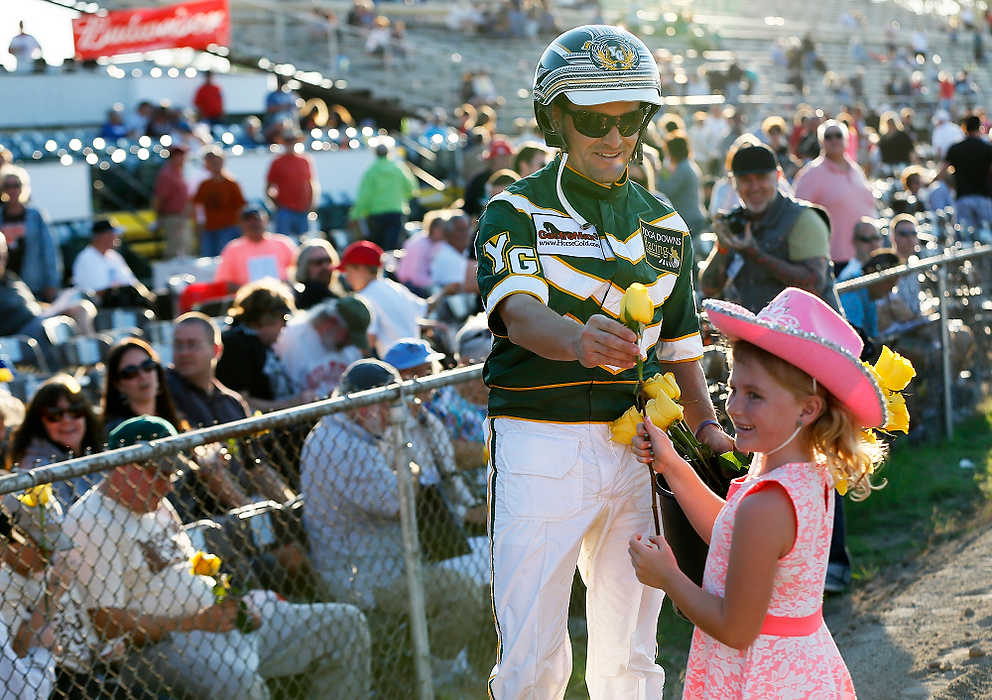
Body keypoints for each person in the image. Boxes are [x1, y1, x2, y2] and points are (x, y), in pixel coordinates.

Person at [476, 25, 733, 698]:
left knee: (631, 655)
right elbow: (520, 315)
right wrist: (578, 338)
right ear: (553, 116)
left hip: (640, 447)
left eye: (631, 117)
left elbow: (682, 351)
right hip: (539, 442)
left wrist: (706, 432)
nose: (616, 137)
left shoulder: (668, 225)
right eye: (594, 118)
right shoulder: (513, 209)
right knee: (532, 658)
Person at [629, 287, 891, 697]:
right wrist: (675, 467)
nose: (734, 408)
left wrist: (669, 578)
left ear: (807, 409)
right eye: (734, 389)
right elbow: (732, 534)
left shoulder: (768, 503)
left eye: (755, 396)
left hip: (761, 677)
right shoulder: (804, 473)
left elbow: (735, 628)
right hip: (799, 668)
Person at [62, 415, 372, 700]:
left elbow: (188, 572)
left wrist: (233, 603)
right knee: (240, 686)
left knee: (345, 624)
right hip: (160, 650)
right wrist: (193, 622)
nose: (168, 486)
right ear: (123, 466)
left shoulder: (155, 503)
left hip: (217, 626)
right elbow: (105, 622)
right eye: (160, 473)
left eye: (172, 472)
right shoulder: (92, 521)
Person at [700, 143, 841, 313]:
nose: (754, 187)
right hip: (757, 334)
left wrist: (755, 253)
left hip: (810, 334)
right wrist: (722, 248)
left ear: (778, 176)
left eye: (761, 177)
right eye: (745, 180)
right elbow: (708, 288)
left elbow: (814, 285)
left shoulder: (804, 219)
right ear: (733, 183)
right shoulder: (736, 222)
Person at [794, 120, 878, 274]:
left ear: (846, 140)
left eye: (838, 135)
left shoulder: (855, 169)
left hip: (863, 257)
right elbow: (797, 216)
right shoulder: (811, 174)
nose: (834, 140)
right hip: (832, 260)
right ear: (821, 141)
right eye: (828, 136)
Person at [7, 375, 104, 506]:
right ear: (39, 422)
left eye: (75, 411)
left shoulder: (99, 451)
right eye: (55, 414)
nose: (67, 420)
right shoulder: (36, 466)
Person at [216, 279, 311, 411]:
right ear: (266, 318)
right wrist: (292, 404)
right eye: (283, 318)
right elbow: (241, 401)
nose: (285, 325)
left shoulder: (259, 342)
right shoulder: (236, 345)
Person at [336, 240, 427, 358]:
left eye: (348, 271)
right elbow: (423, 310)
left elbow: (368, 344)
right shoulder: (394, 287)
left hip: (400, 365)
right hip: (421, 356)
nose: (347, 278)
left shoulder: (364, 297)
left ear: (361, 268)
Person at [274, 296, 372, 397]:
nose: (351, 343)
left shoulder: (351, 350)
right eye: (348, 336)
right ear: (331, 323)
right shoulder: (291, 337)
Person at [0, 171, 61, 303]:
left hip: (33, 284)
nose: (12, 190)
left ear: (23, 187)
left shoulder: (35, 215)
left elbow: (49, 251)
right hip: (5, 284)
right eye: (7, 186)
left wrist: (51, 283)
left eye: (16, 185)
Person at [349, 144, 418, 251]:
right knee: (395, 249)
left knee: (379, 249)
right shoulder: (398, 169)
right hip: (396, 212)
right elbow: (411, 189)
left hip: (377, 215)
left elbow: (364, 196)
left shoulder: (371, 172)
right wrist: (399, 198)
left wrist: (354, 215)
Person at [213, 207, 298, 290]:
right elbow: (224, 281)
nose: (253, 223)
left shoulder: (282, 243)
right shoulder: (232, 248)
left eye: (256, 219)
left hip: (281, 297)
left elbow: (298, 268)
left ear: (266, 221)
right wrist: (248, 291)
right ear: (240, 224)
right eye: (247, 220)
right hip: (248, 301)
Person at [936, 115, 992, 231]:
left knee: (967, 241)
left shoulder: (955, 148)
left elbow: (942, 173)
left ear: (964, 128)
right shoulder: (987, 148)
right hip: (984, 197)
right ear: (980, 128)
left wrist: (952, 185)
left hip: (963, 197)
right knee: (988, 239)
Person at [192, 148, 247, 258]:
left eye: (217, 161)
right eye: (212, 162)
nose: (215, 165)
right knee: (207, 258)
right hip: (209, 228)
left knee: (225, 257)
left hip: (228, 228)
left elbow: (241, 207)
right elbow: (197, 206)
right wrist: (199, 225)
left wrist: (242, 227)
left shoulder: (232, 183)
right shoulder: (205, 184)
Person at [265, 130, 318, 239]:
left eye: (293, 140)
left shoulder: (305, 160)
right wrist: (278, 206)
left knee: (305, 242)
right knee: (284, 241)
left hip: (303, 209)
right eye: (288, 141)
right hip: (285, 211)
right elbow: (268, 187)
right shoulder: (277, 162)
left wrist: (311, 205)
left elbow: (311, 183)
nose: (290, 143)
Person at [837, 218, 885, 338]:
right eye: (866, 240)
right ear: (854, 242)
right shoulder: (848, 278)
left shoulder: (887, 266)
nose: (873, 244)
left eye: (876, 238)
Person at [656, 131, 708, 236]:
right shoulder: (688, 165)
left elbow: (665, 190)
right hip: (693, 217)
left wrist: (659, 172)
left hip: (690, 220)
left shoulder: (683, 169)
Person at [395, 210, 447, 297]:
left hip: (419, 284)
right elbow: (415, 275)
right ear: (434, 229)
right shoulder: (421, 244)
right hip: (411, 287)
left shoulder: (434, 243)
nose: (446, 232)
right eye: (443, 229)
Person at [152, 145, 192, 259]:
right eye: (181, 156)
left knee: (184, 248)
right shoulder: (167, 174)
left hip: (181, 217)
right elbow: (159, 198)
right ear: (174, 157)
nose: (184, 158)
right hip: (172, 218)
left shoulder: (179, 172)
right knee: (174, 250)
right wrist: (157, 218)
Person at [292, 238, 342, 310]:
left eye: (328, 261)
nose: (325, 267)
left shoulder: (337, 298)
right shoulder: (296, 301)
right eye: (318, 262)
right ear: (304, 267)